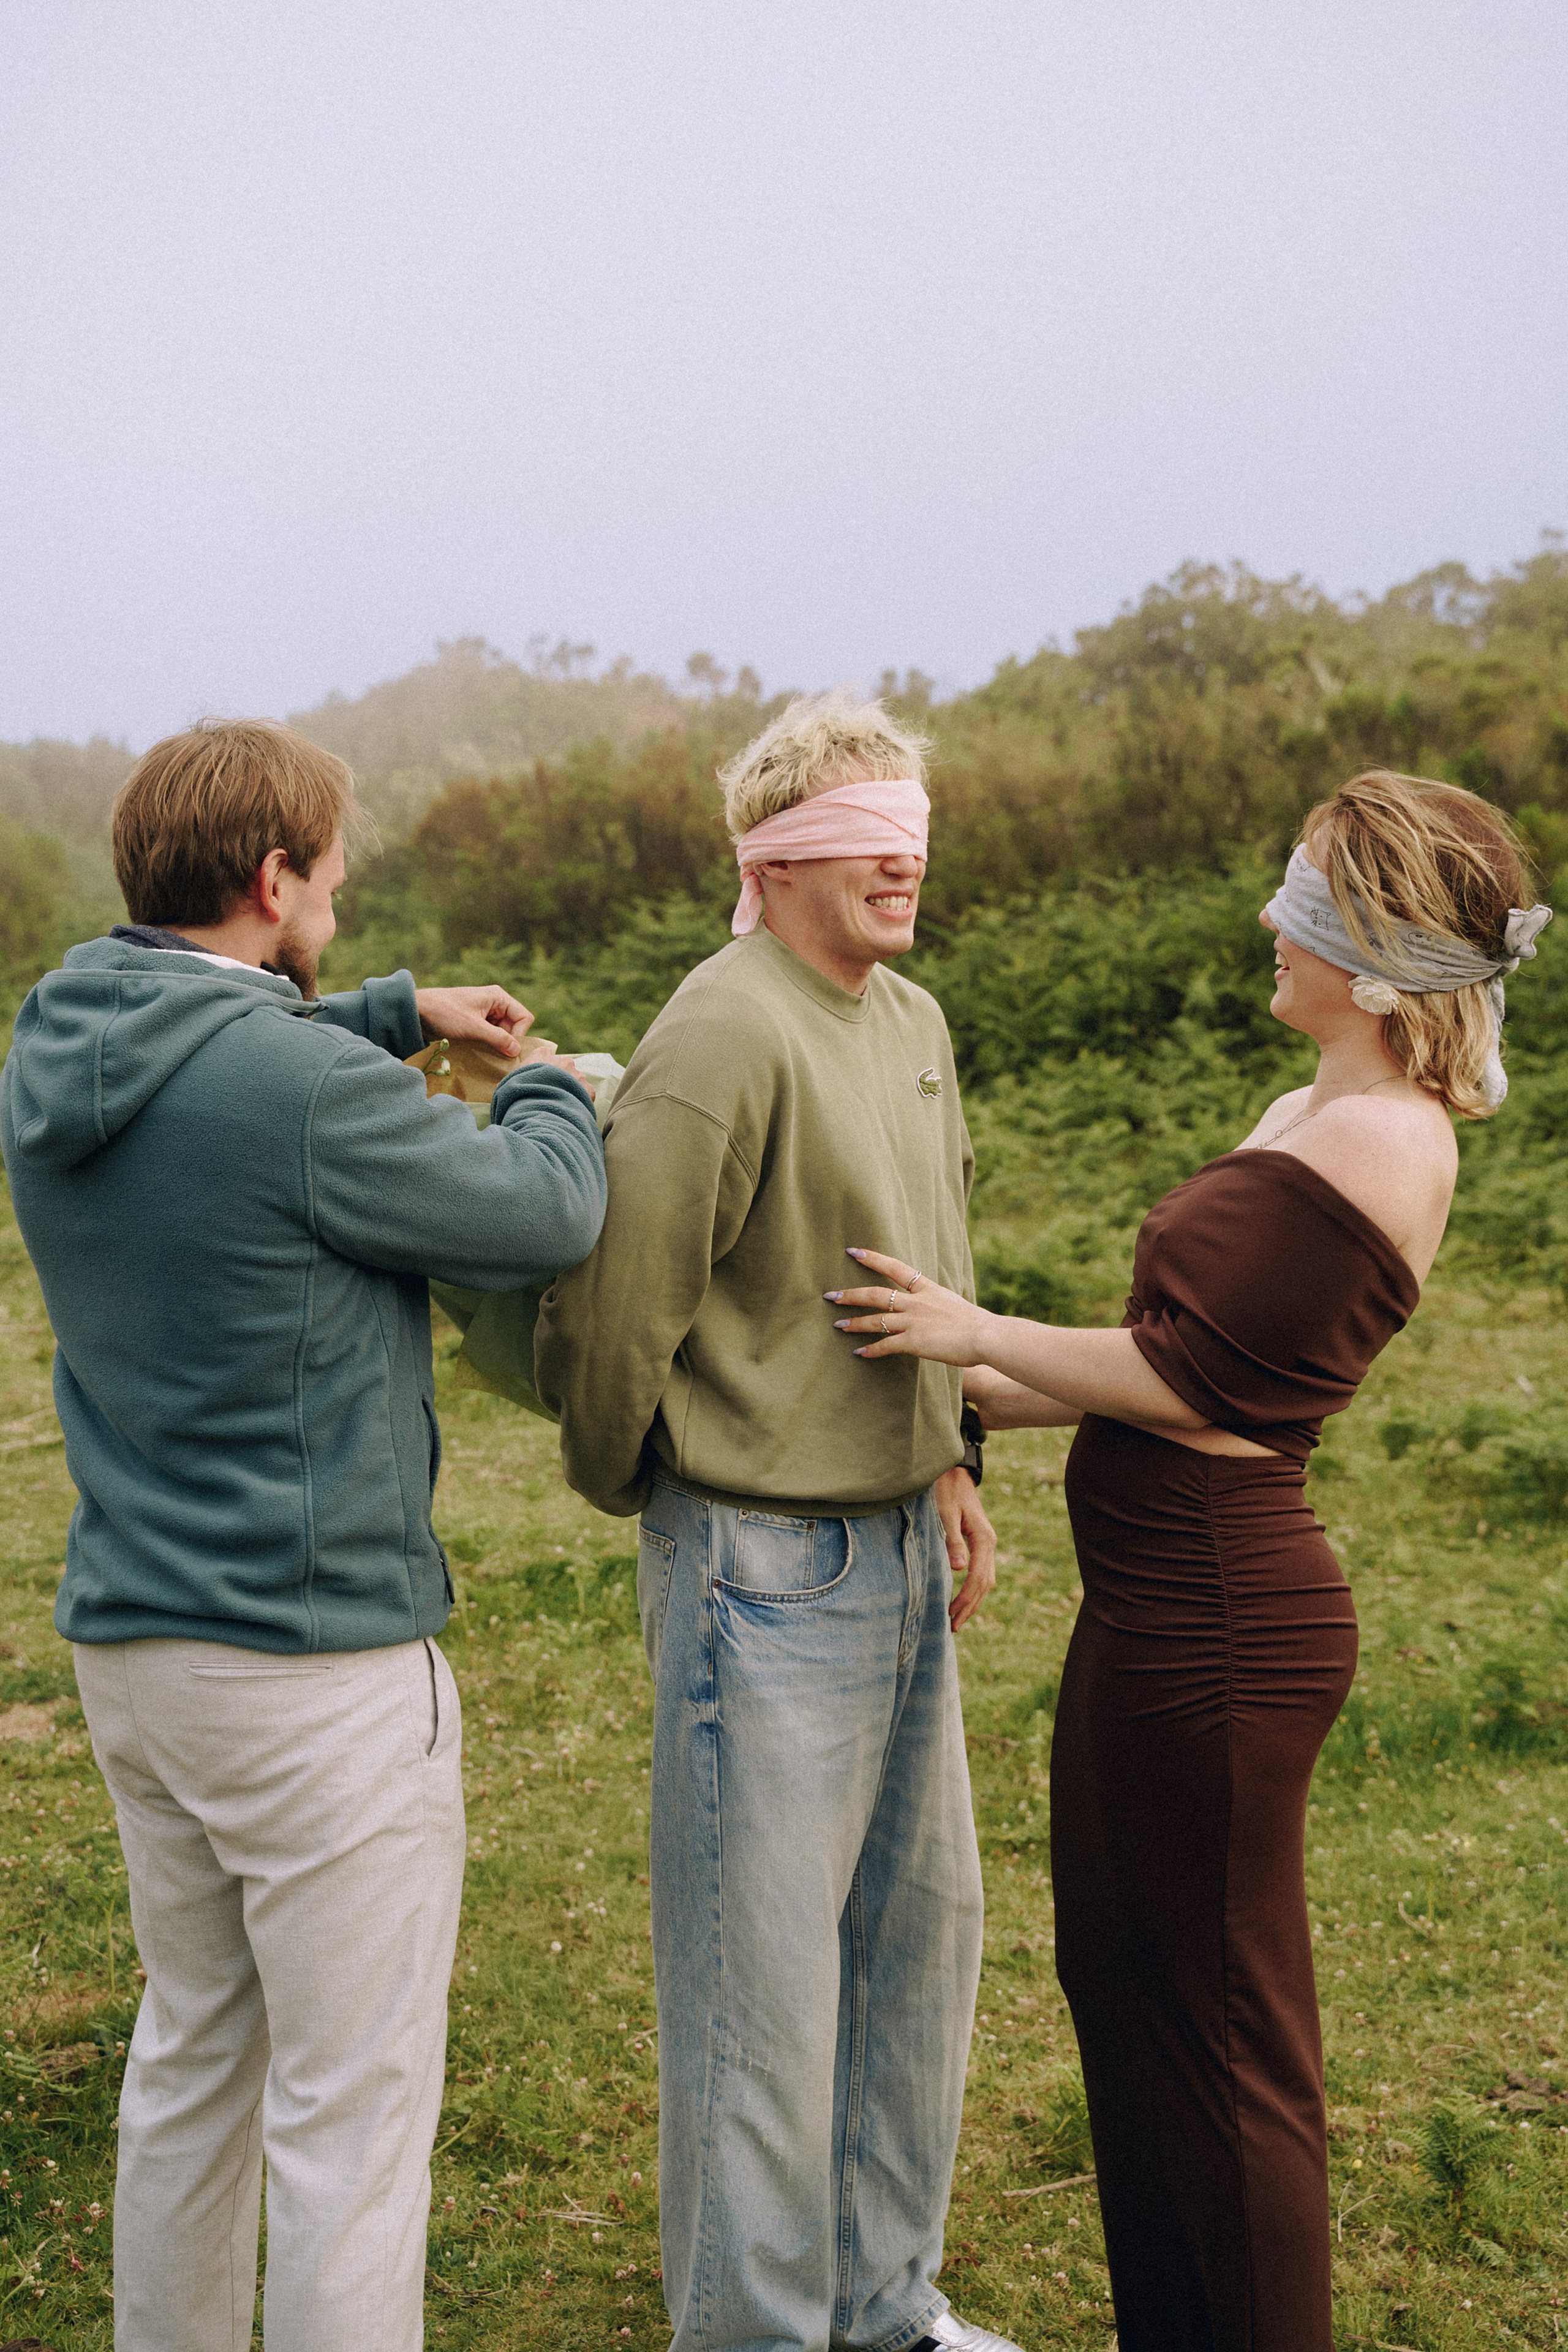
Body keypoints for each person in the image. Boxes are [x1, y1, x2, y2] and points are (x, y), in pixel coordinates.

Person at [822, 769, 1550, 2352]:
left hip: (1220, 1621)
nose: (1269, 923)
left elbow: (1195, 1384)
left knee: (1223, 2041)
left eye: (1306, 901)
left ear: (1380, 960)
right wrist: (956, 1391)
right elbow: (1160, 1357)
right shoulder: (1311, 1111)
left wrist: (970, 1330)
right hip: (1151, 1609)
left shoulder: (1389, 1138)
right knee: (1133, 1996)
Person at [0, 719, 607, 2352]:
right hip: (314, 1667)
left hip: (138, 1651)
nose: (338, 900)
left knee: (194, 2059)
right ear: (273, 881)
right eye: (331, 878)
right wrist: (548, 1094)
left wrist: (393, 1009)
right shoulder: (304, 1092)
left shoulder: (59, 1041)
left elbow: (227, 1059)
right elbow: (546, 1214)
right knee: (351, 2113)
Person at [535, 694, 1017, 2352]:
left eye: (913, 832)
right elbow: (621, 1308)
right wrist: (660, 1489)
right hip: (759, 1565)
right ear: (777, 858)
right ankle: (755, 2332)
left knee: (914, 1952)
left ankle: (884, 2312)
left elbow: (937, 1257)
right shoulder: (723, 1032)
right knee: (763, 1996)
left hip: (900, 1545)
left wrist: (953, 1453)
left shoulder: (913, 1020)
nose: (902, 862)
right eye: (863, 835)